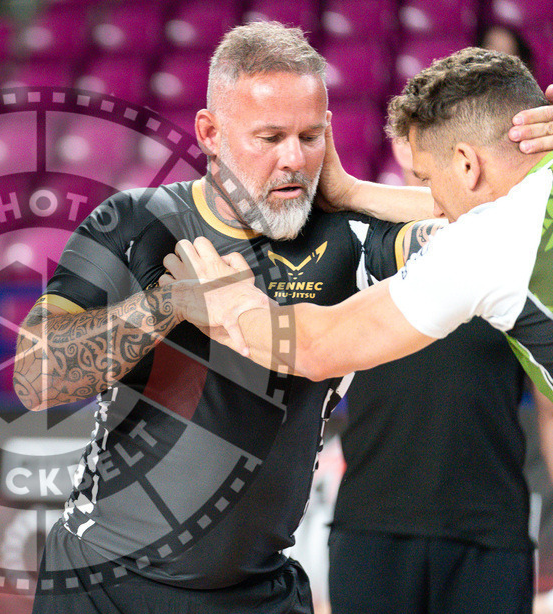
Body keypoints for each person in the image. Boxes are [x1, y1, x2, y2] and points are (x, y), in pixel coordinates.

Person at [13, 22, 553, 614]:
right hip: (101, 593)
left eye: (310, 136)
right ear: (211, 133)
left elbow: (469, 220)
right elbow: (35, 377)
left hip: (254, 608)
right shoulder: (134, 222)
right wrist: (164, 306)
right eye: (269, 139)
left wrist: (352, 193)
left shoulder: (354, 237)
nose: (294, 159)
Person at [163, 47, 553, 400]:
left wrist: (229, 304)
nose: (434, 207)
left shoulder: (481, 245)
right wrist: (351, 193)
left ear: (467, 163)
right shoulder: (519, 213)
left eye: (428, 180)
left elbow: (319, 348)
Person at [327, 135, 552, 614]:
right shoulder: (356, 240)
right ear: (401, 147)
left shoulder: (511, 242)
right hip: (372, 527)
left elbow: (549, 408)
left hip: (489, 533)